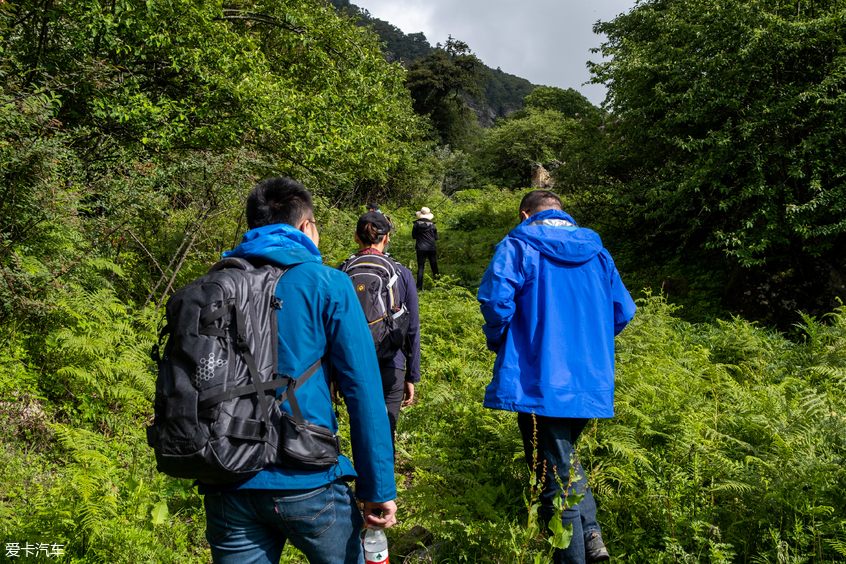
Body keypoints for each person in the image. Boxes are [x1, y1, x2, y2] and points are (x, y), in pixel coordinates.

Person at [199, 177, 397, 564]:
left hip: (227, 477)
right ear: (306, 227)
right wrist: (378, 487)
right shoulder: (328, 283)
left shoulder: (214, 283)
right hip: (307, 476)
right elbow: (364, 392)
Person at [477, 190, 636, 564]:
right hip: (587, 380)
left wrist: (501, 340)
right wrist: (590, 346)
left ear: (524, 214)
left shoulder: (518, 244)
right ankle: (592, 533)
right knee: (562, 458)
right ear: (563, 213)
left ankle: (573, 555)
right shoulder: (597, 251)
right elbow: (622, 310)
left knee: (552, 475)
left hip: (537, 376)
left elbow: (496, 301)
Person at [342, 211, 421, 447]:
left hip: (352, 362)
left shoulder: (341, 272)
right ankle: (385, 480)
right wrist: (412, 375)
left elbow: (331, 326)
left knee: (362, 426)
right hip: (391, 361)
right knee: (387, 428)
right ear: (386, 238)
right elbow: (412, 328)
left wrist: (333, 374)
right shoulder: (402, 274)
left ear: (356, 237)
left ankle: (362, 479)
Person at [411, 206, 439, 291]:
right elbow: (436, 237)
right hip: (431, 247)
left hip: (420, 248)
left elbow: (414, 236)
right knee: (434, 266)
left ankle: (419, 287)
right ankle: (437, 284)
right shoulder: (432, 225)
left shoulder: (416, 224)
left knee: (420, 267)